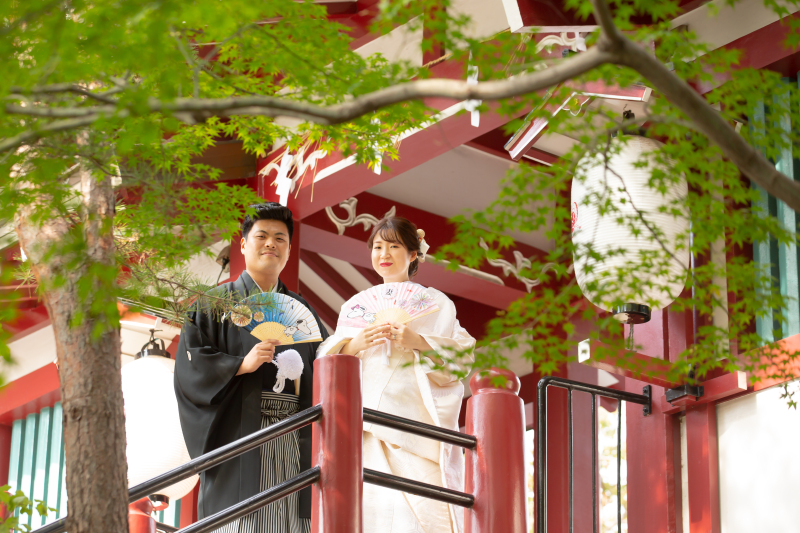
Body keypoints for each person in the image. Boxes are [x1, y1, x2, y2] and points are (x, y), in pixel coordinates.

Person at [174, 202, 328, 533]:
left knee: (291, 520)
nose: (271, 243)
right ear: (243, 244)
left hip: (293, 434)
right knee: (241, 522)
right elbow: (191, 368)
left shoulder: (302, 312)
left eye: (280, 238)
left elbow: (327, 364)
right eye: (262, 236)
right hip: (241, 437)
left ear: (288, 250)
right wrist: (239, 366)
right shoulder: (212, 305)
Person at [316, 216, 475, 533]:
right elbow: (326, 362)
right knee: (371, 506)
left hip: (413, 415)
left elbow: (462, 357)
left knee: (423, 508)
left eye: (394, 246)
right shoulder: (354, 307)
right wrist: (354, 344)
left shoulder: (436, 303)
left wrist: (419, 341)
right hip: (365, 420)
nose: (384, 254)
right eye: (377, 247)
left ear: (413, 254)